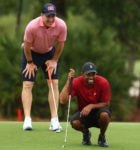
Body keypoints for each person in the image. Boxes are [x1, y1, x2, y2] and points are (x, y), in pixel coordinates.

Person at [21, 3, 67, 132]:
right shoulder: (32, 26)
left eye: (53, 16)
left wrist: (54, 60)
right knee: (28, 84)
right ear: (42, 15)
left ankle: (54, 120)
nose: (51, 19)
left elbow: (61, 44)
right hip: (31, 53)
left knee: (54, 83)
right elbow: (26, 45)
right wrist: (30, 62)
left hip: (49, 53)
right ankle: (27, 119)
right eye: (48, 16)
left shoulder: (61, 25)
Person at [60, 62, 111, 147]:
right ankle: (86, 134)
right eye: (88, 75)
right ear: (82, 74)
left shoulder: (103, 82)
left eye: (93, 74)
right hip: (84, 113)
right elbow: (62, 100)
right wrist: (69, 81)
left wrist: (91, 106)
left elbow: (106, 104)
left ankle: (102, 136)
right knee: (75, 123)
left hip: (99, 111)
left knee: (104, 115)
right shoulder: (76, 82)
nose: (91, 77)